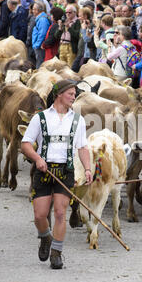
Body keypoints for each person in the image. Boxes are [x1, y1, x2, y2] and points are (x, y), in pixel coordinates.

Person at [21, 80, 92, 269]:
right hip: (44, 171)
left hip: (65, 170)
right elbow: (26, 143)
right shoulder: (40, 118)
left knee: (60, 213)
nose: (73, 97)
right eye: (70, 93)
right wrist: (37, 159)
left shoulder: (78, 120)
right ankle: (45, 238)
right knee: (39, 215)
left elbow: (83, 147)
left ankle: (56, 253)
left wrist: (87, 168)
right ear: (59, 94)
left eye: (74, 94)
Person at [31, 2, 51, 69]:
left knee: (40, 65)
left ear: (38, 10)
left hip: (40, 47)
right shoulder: (39, 19)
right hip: (37, 46)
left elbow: (42, 34)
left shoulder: (43, 20)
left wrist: (37, 45)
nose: (32, 11)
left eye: (33, 9)